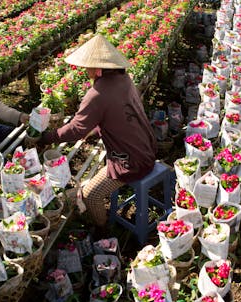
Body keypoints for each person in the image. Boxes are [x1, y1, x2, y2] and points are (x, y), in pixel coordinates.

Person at [39, 34, 157, 238]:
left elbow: (76, 129)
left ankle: (103, 231)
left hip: (132, 161)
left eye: (87, 66)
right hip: (146, 147)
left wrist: (47, 137)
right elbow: (117, 115)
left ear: (98, 68)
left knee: (90, 195)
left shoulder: (98, 93)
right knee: (94, 183)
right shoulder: (124, 79)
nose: (85, 71)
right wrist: (95, 131)